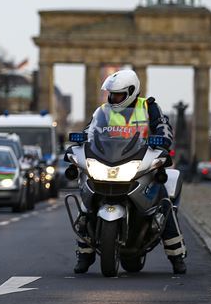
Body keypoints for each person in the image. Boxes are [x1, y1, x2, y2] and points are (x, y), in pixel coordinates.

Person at [71, 69, 186, 275]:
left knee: (163, 201)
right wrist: (78, 146)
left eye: (117, 94)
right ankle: (84, 254)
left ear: (131, 92)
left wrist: (163, 144)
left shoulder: (150, 107)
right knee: (86, 204)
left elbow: (164, 128)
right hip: (108, 160)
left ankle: (176, 255)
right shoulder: (103, 111)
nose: (112, 98)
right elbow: (90, 131)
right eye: (111, 94)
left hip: (139, 160)